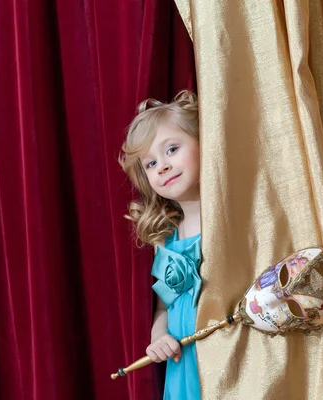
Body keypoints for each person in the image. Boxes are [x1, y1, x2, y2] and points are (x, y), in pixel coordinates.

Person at [119, 90, 202, 399]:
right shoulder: (166, 238)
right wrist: (158, 337)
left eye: (172, 149)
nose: (162, 166)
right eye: (151, 163)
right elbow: (164, 306)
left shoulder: (229, 224)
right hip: (185, 364)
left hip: (227, 357)